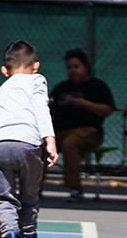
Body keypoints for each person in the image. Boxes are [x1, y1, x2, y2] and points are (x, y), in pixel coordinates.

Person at [0, 40, 59, 238]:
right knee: (29, 198)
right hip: (27, 143)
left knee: (6, 198)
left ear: (4, 71)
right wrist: (50, 140)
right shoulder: (37, 80)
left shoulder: (2, 89)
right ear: (35, 66)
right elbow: (40, 108)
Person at [49, 48, 115, 202]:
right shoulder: (61, 88)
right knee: (38, 145)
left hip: (88, 131)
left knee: (70, 144)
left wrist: (85, 104)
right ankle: (33, 187)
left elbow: (107, 109)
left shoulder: (97, 86)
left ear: (85, 67)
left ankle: (75, 188)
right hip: (59, 131)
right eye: (69, 67)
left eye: (76, 66)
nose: (72, 71)